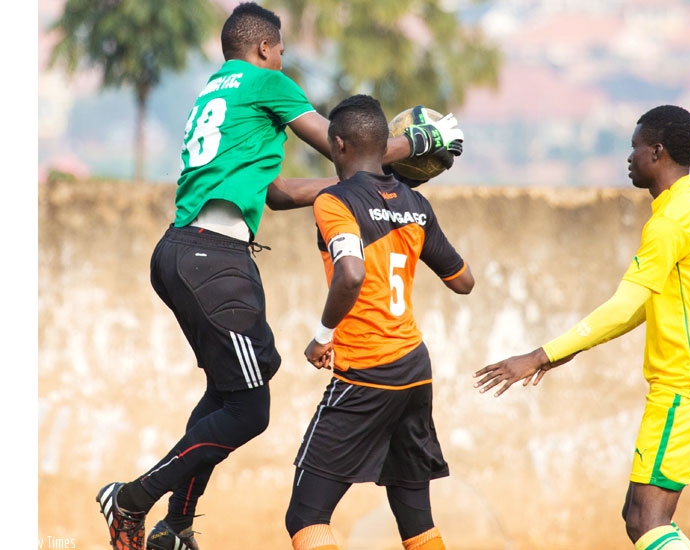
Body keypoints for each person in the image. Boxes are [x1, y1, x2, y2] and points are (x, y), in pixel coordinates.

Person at [94, 3, 464, 550]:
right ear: (266, 49)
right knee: (249, 410)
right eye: (283, 50)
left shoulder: (217, 90)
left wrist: (362, 193)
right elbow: (347, 147)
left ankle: (176, 527)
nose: (283, 58)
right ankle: (130, 499)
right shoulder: (266, 81)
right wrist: (417, 144)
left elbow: (274, 192)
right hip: (212, 257)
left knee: (230, 393)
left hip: (186, 251)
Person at [474, 105, 690, 550]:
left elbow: (624, 305)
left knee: (646, 521)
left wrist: (542, 355)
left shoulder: (670, 221)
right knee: (637, 516)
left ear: (656, 152)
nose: (629, 157)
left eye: (635, 147)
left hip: (687, 390)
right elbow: (649, 303)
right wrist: (573, 351)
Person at [285, 94, 474, 550]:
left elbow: (350, 273)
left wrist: (321, 337)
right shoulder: (416, 206)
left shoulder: (334, 202)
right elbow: (463, 281)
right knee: (416, 519)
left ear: (338, 145)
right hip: (413, 371)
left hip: (365, 373)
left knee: (306, 517)